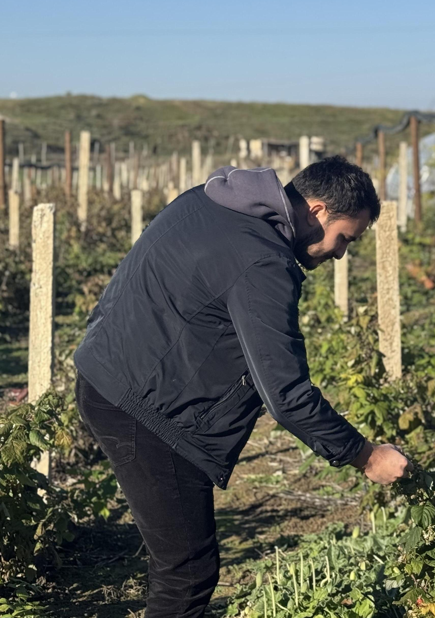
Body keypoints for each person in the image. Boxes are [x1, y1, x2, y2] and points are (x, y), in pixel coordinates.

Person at [73, 157, 412, 617]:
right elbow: (286, 394)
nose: (340, 254)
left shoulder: (208, 201)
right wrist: (365, 455)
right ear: (316, 211)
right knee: (187, 571)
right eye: (343, 239)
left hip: (114, 375)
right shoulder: (262, 261)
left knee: (181, 562)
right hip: (144, 409)